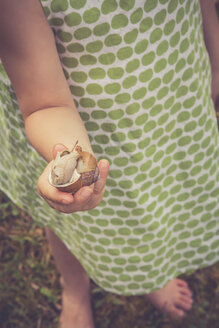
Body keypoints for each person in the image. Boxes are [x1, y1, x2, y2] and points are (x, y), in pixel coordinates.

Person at [0, 0, 218, 327]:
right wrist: (71, 169)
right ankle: (73, 286)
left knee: (159, 198)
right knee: (68, 222)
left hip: (171, 106)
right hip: (78, 125)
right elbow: (45, 102)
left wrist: (216, 58)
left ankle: (151, 275)